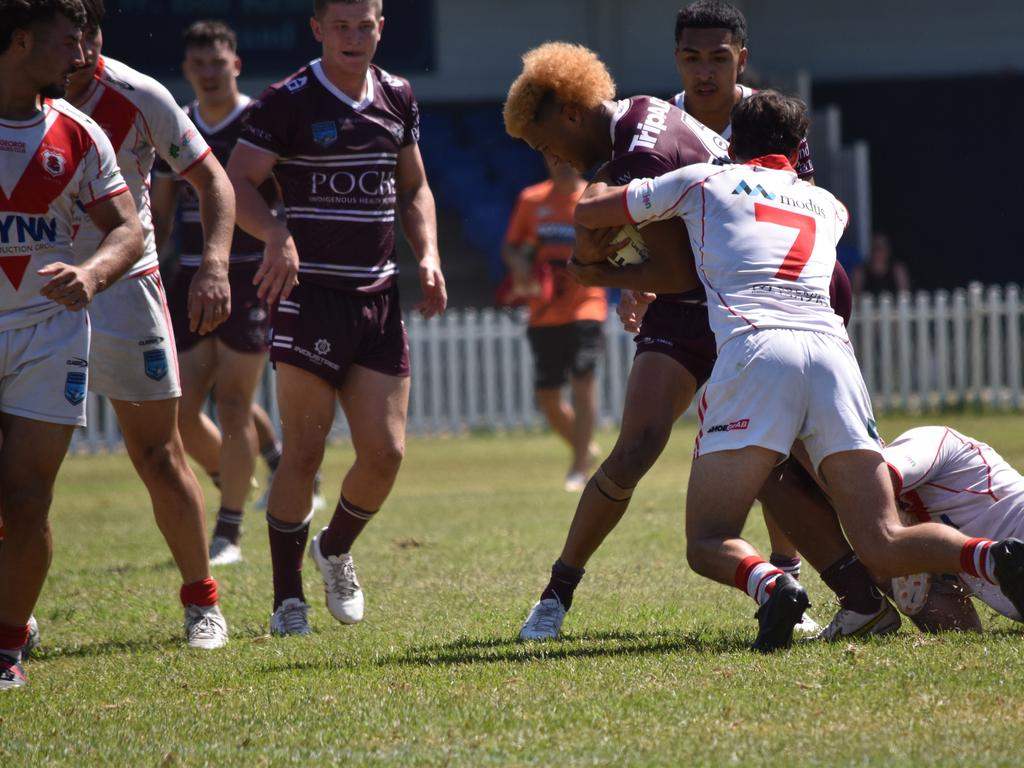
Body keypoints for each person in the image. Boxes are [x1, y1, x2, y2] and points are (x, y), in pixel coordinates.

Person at [573, 89, 1024, 651]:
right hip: (833, 354)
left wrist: (599, 177)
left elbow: (593, 211)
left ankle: (771, 585)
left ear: (732, 141)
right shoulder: (831, 206)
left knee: (709, 538)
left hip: (757, 350)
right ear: (798, 147)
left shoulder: (703, 181)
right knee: (883, 537)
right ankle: (989, 555)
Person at [227, 0, 447, 636]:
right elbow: (237, 180)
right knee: (304, 450)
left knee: (386, 454)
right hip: (310, 297)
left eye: (366, 24)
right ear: (318, 29)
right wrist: (275, 234)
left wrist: (427, 254)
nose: (354, 37)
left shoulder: (398, 95)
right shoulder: (287, 99)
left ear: (382, 26)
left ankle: (334, 548)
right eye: (341, 26)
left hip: (378, 299)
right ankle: (286, 599)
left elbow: (412, 188)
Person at [62, 0, 234, 649]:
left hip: (125, 291)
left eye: (91, 34)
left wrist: (214, 263)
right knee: (17, 467)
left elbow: (212, 180)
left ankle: (203, 603)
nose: (78, 49)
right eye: (64, 35)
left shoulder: (140, 95)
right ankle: (13, 615)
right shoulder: (12, 98)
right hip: (30, 293)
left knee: (159, 455)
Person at [0, 0, 144, 690]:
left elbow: (128, 230)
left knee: (27, 499)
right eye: (69, 37)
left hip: (48, 335)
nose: (82, 49)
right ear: (22, 41)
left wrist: (91, 274)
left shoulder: (80, 133)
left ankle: (5, 649)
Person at [151, 20, 307, 567]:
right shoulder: (177, 127)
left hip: (249, 275)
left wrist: (283, 247)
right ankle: (247, 477)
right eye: (199, 65)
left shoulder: (257, 122)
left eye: (219, 63)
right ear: (187, 71)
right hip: (193, 277)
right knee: (182, 413)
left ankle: (230, 530)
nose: (210, 74)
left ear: (236, 65)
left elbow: (289, 202)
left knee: (237, 399)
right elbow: (161, 220)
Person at [503, 159, 606, 491]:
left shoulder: (594, 200)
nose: (562, 164)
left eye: (568, 158)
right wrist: (520, 266)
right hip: (544, 310)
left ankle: (578, 468)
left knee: (583, 378)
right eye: (554, 158)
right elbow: (512, 247)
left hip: (586, 305)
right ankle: (584, 447)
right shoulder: (532, 200)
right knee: (547, 395)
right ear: (545, 158)